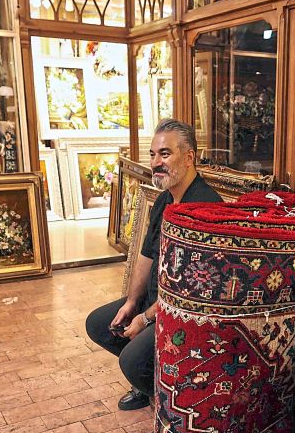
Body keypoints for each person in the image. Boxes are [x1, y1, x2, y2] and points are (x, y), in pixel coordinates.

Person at [85, 119, 222, 410]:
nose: (156, 162)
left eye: (165, 154)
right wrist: (132, 303)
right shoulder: (164, 201)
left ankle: (174, 409)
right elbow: (146, 255)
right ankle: (152, 383)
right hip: (154, 301)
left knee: (131, 361)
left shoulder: (206, 208)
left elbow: (189, 288)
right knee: (99, 324)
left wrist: (146, 318)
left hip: (182, 312)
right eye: (152, 154)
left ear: (189, 157)